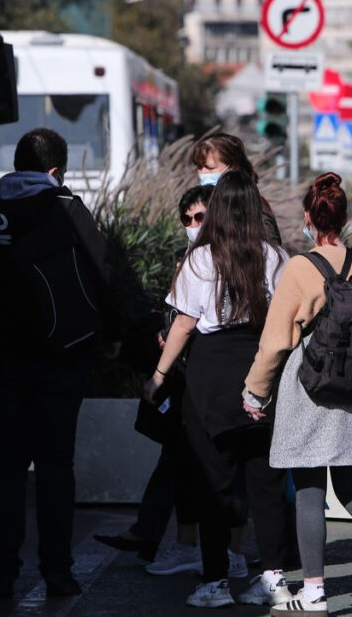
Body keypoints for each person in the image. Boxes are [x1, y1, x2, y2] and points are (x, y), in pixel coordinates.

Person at [0, 128, 120, 598]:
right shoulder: (69, 210)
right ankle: (58, 572)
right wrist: (113, 338)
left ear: (16, 167)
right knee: (56, 466)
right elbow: (106, 276)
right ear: (55, 171)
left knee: (7, 468)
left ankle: (2, 572)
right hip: (63, 359)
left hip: (0, 362)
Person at [242, 173, 352, 615]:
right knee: (351, 485)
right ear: (343, 219)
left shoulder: (301, 267)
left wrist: (255, 391)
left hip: (312, 388)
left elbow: (277, 341)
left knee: (308, 489)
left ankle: (315, 593)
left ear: (308, 219)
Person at [145, 171, 293, 609]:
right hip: (260, 367)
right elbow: (286, 322)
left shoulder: (199, 259)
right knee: (265, 482)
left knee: (212, 480)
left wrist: (157, 376)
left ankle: (213, 582)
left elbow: (185, 323)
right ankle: (272, 577)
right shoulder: (276, 256)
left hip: (209, 373)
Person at [94, 185, 254, 579]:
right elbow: (179, 314)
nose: (192, 225)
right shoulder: (192, 259)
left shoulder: (238, 256)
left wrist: (159, 372)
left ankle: (226, 555)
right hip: (190, 376)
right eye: (186, 219)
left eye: (199, 217)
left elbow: (197, 320)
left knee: (228, 469)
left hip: (216, 373)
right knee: (186, 464)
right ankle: (187, 546)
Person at [190, 133, 282, 245]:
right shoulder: (201, 203)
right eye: (199, 167)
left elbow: (271, 250)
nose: (203, 173)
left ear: (233, 167)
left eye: (210, 168)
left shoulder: (251, 204)